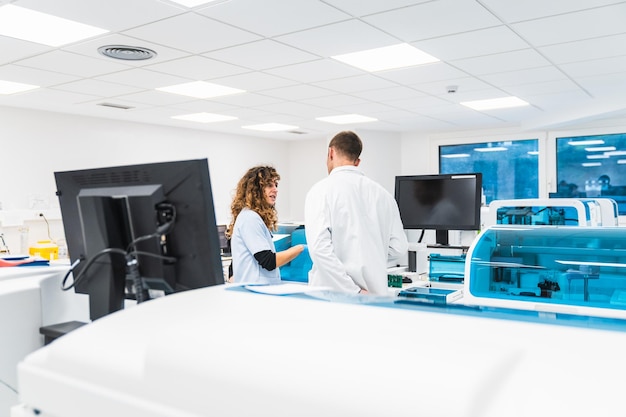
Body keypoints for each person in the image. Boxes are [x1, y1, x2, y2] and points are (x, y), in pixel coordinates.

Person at [304, 131, 408, 295]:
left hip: (333, 298)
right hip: (375, 295)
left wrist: (354, 291)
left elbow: (319, 250)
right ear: (357, 162)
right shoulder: (384, 195)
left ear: (331, 153)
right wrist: (368, 257)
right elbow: (399, 248)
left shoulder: (320, 190)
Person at [226, 165, 304, 284]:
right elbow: (269, 261)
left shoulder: (252, 217)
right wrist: (301, 248)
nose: (275, 189)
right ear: (256, 190)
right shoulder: (250, 218)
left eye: (276, 185)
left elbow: (238, 261)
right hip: (256, 292)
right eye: (269, 185)